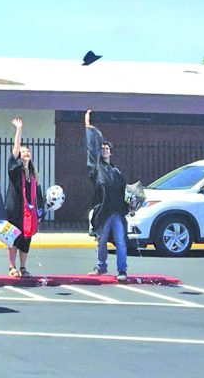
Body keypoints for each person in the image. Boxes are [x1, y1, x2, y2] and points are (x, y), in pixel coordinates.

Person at [85, 110, 130, 281]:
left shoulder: (116, 170)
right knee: (101, 241)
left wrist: (131, 202)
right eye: (102, 148)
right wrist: (88, 127)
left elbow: (125, 190)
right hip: (103, 211)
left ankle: (122, 270)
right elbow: (90, 150)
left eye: (107, 148)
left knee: (120, 241)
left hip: (117, 211)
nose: (104, 150)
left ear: (111, 152)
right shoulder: (95, 168)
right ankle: (101, 267)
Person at [6, 117, 46, 277]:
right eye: (23, 152)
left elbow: (38, 193)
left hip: (29, 212)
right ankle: (12, 267)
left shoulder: (33, 174)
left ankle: (23, 267)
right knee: (14, 238)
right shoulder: (15, 169)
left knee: (26, 238)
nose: (25, 153)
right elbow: (15, 149)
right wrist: (19, 130)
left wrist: (40, 210)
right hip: (15, 209)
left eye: (27, 151)